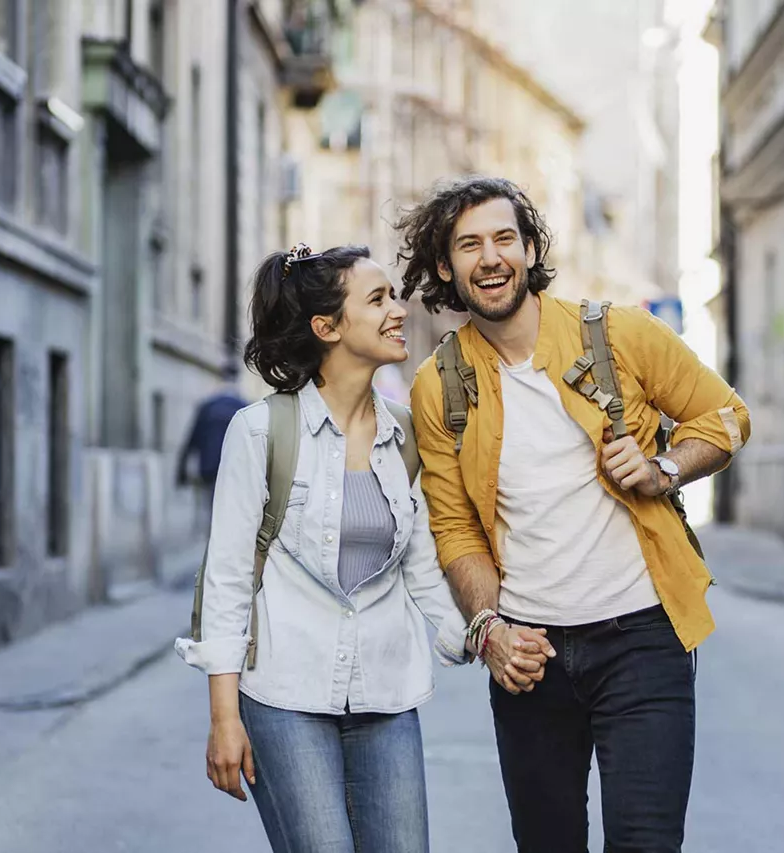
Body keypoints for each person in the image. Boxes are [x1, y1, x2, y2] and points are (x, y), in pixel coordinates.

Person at [399, 177, 751, 853]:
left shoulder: (619, 334)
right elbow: (454, 526)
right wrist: (488, 627)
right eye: (469, 245)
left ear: (529, 250)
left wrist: (663, 468)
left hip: (642, 642)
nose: (490, 257)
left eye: (505, 238)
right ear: (446, 267)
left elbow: (727, 414)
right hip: (531, 657)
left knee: (645, 842)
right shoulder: (438, 385)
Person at [174, 243, 554, 853]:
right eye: (377, 299)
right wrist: (224, 719)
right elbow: (225, 582)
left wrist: (490, 637)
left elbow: (426, 570)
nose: (397, 310)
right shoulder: (261, 432)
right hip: (284, 695)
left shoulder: (407, 434)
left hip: (386, 694)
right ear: (327, 327)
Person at [176, 363, 248, 517]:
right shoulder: (244, 407)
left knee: (211, 511)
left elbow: (192, 439)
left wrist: (181, 470)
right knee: (232, 512)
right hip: (235, 468)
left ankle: (212, 539)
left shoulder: (207, 406)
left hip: (208, 468)